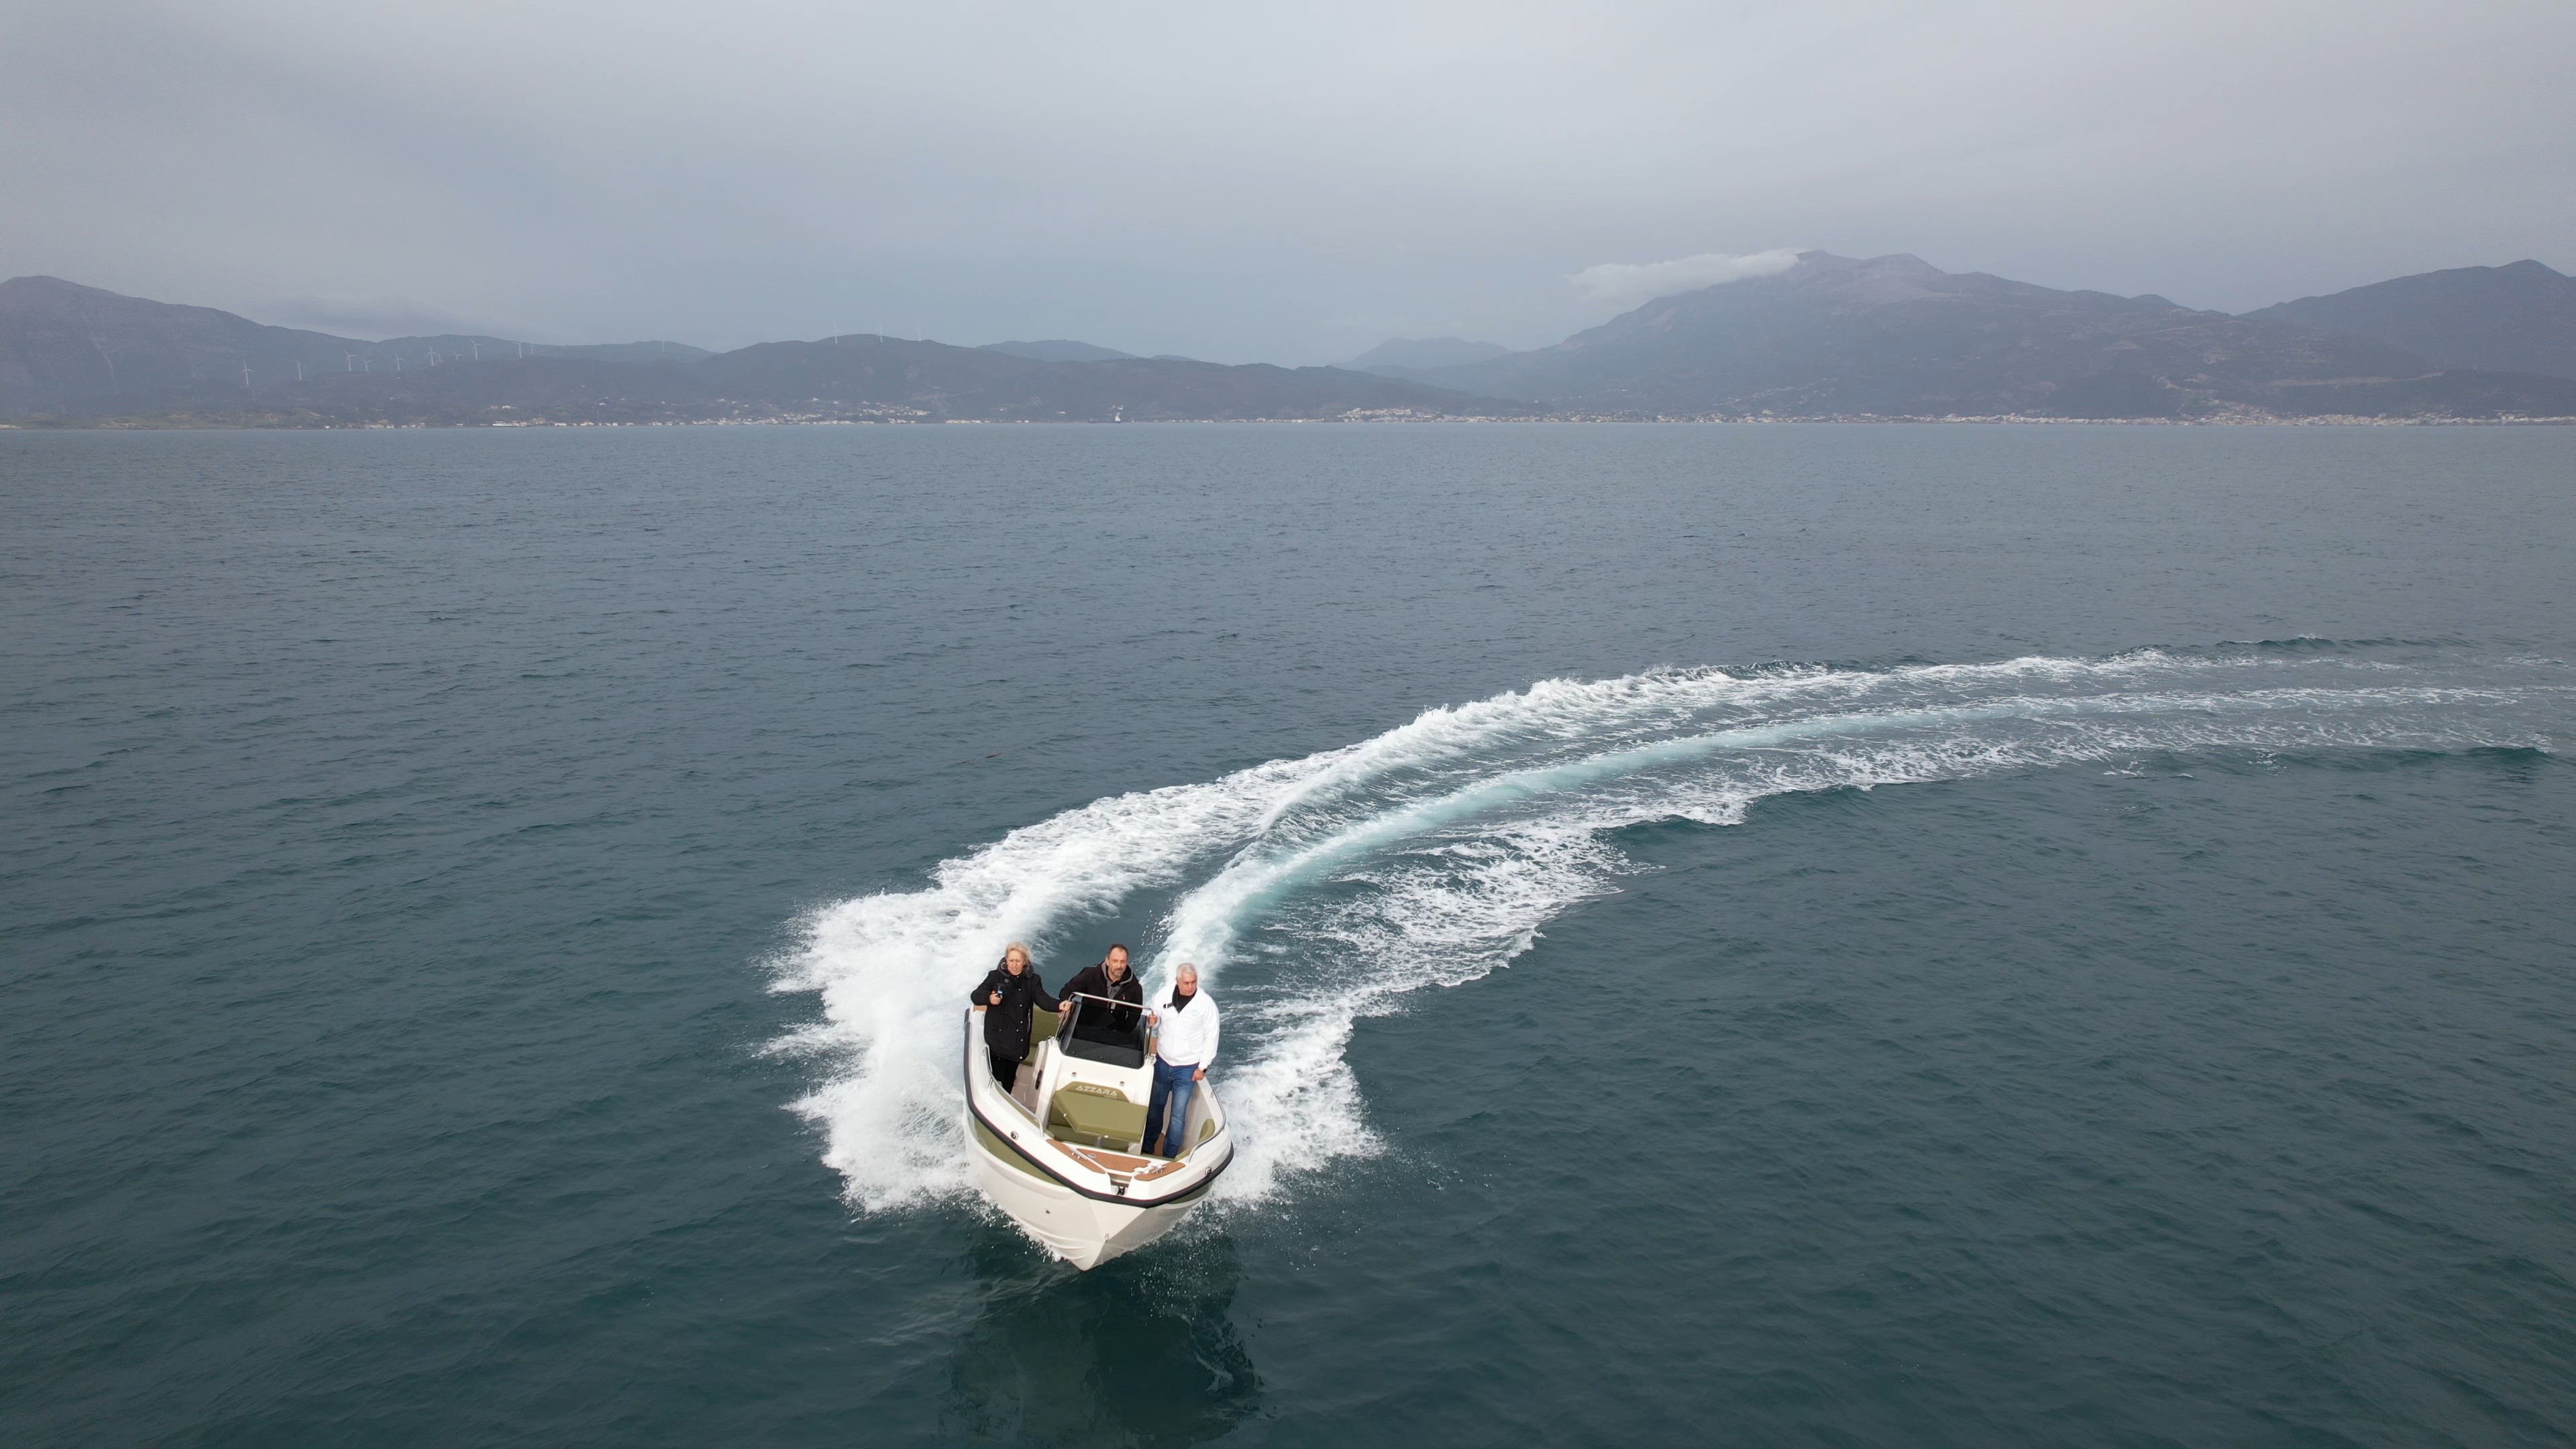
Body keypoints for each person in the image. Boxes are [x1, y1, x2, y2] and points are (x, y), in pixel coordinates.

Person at [1139, 963, 1219, 1159]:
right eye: (1186, 983)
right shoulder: (1164, 995)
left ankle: (1169, 1155)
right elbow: (1154, 1018)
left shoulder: (1205, 1004)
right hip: (1163, 1062)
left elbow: (1212, 1035)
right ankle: (1147, 1147)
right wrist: (1152, 1021)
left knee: (1177, 1115)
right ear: (1177, 981)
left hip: (1187, 1068)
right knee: (1155, 1108)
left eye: (1193, 982)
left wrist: (1203, 1067)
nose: (1190, 986)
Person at [967, 942, 1057, 1093]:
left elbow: (1044, 1001)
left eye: (1018, 961)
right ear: (1006, 961)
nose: (1014, 965)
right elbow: (975, 996)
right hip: (997, 1039)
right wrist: (989, 998)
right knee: (996, 1078)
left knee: (1008, 1081)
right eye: (1011, 961)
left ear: (1025, 962)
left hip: (1018, 1041)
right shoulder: (994, 976)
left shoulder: (1033, 980)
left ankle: (1007, 1091)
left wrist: (1060, 1005)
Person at [1056, 943, 1144, 1042]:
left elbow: (1135, 1015)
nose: (1119, 966)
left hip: (1112, 1035)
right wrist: (1065, 1005)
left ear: (1127, 963)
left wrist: (1121, 1033)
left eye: (1122, 962)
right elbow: (1067, 991)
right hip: (1083, 1029)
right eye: (1115, 961)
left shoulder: (1135, 987)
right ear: (1107, 961)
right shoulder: (1090, 974)